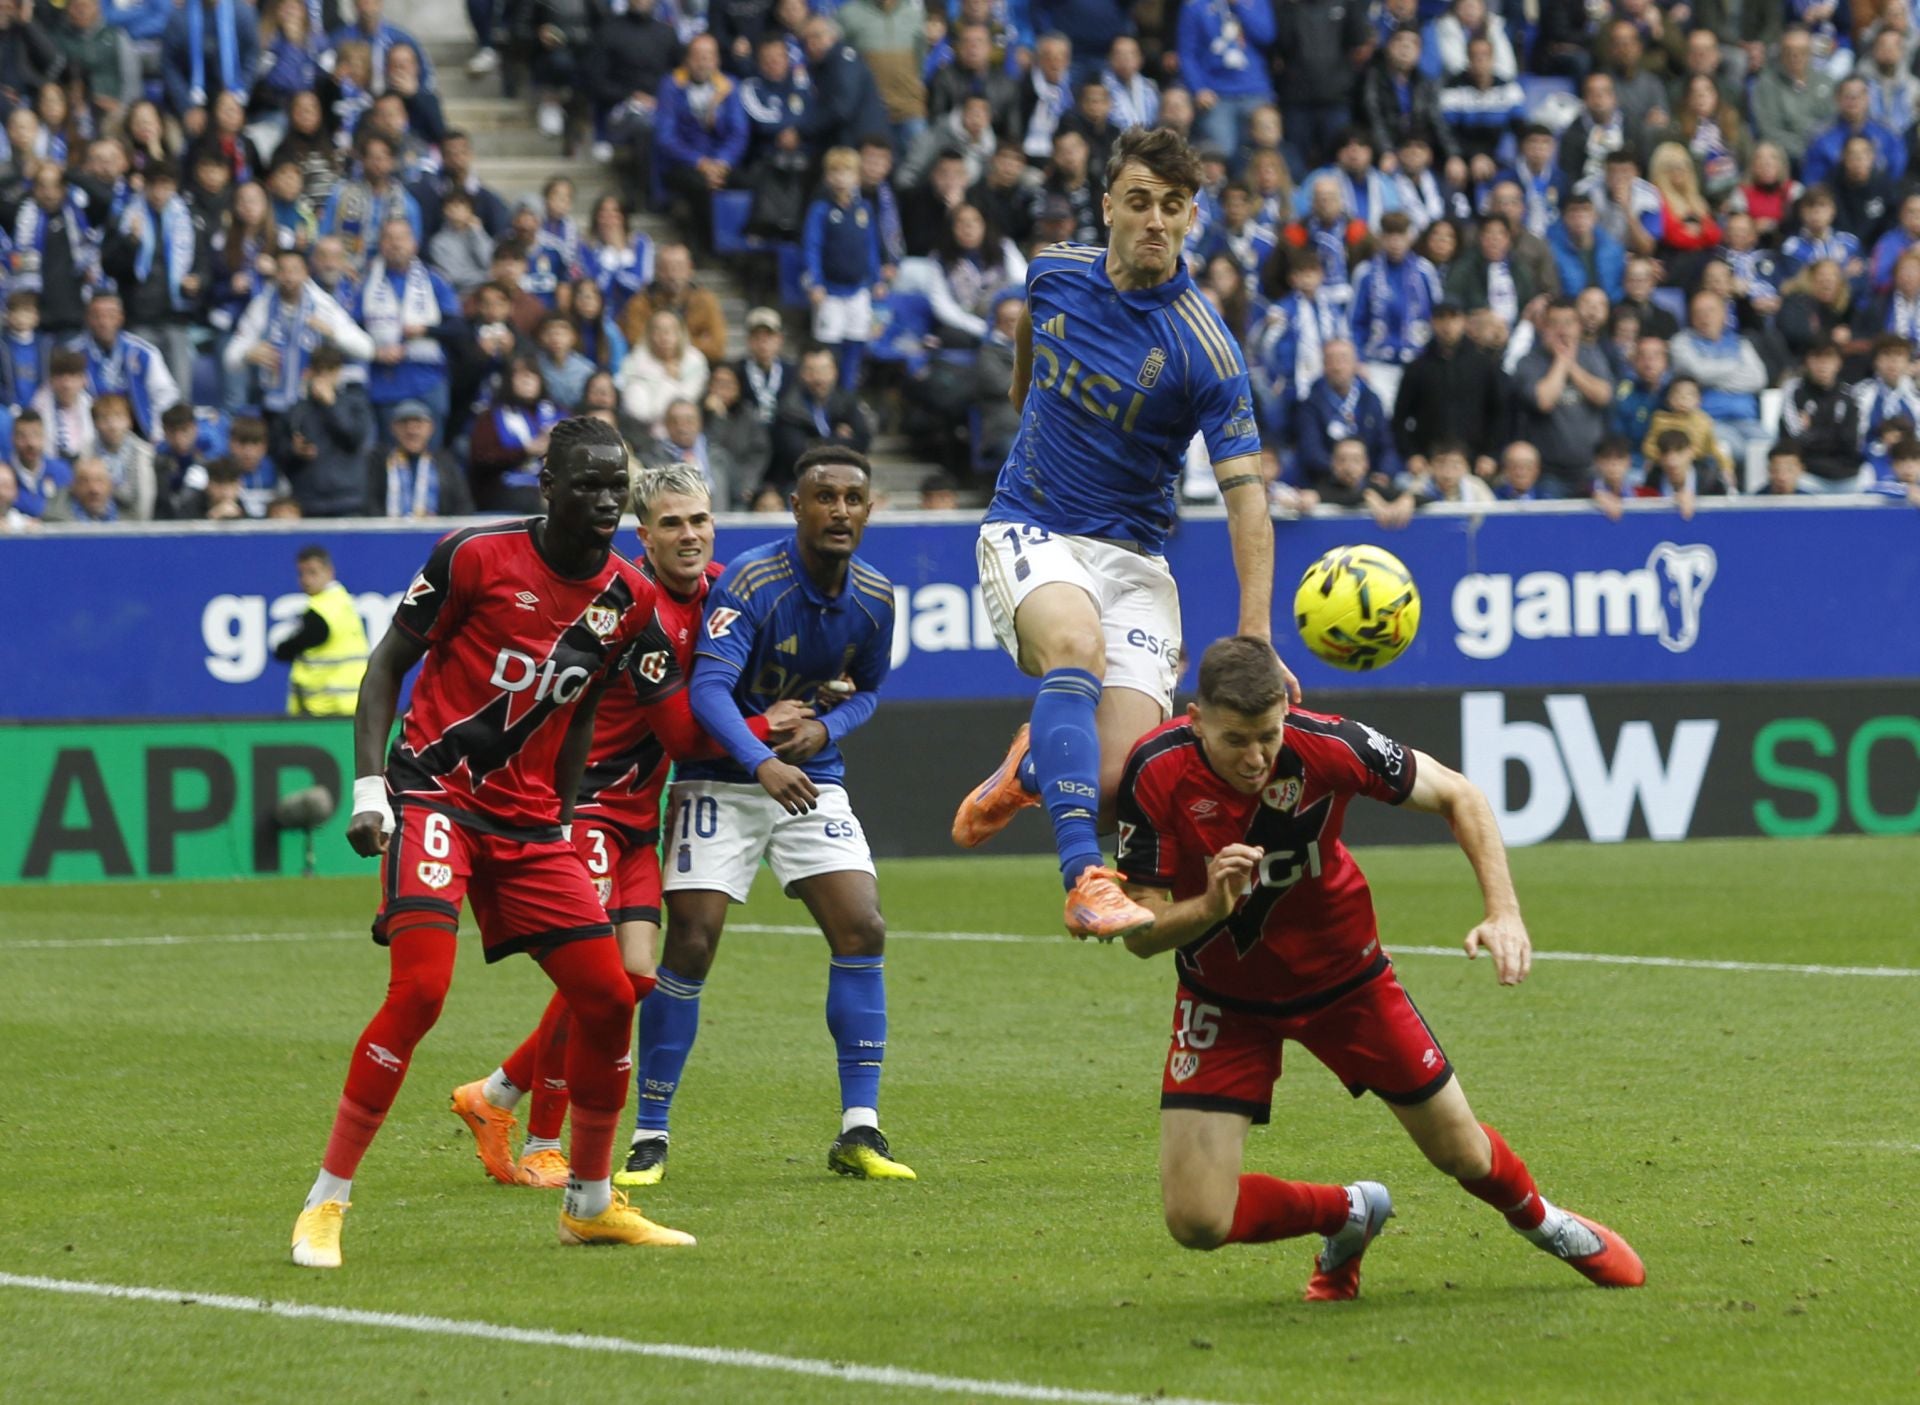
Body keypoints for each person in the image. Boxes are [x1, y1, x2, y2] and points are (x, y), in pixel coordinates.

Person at [1104, 635, 1646, 1299]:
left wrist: (1503, 911)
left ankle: (1546, 1222)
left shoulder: (1329, 744)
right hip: (1223, 998)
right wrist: (1212, 905)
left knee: (1461, 1152)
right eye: (1236, 739)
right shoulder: (1154, 770)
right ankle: (1348, 1212)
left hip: (1346, 981)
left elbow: (1460, 794)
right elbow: (1140, 934)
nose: (1256, 758)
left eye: (1267, 736)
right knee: (1195, 1220)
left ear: (1286, 711)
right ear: (1195, 719)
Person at [289, 418, 692, 1270]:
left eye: (614, 484)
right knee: (423, 990)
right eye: (585, 483)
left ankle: (587, 1204)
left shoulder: (630, 597)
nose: (605, 499)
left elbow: (579, 712)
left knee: (610, 995)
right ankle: (325, 1204)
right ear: (546, 486)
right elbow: (386, 666)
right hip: (435, 793)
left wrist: (561, 813)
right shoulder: (471, 556)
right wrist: (371, 791)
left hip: (529, 823)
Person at [952, 125, 1283, 942]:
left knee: (1110, 785)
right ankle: (1084, 881)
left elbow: (1247, 501)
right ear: (1109, 205)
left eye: (1172, 207)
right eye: (1139, 202)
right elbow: (1032, 320)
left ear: (1193, 215)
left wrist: (1256, 637)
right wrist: (1025, 394)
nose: (1155, 222)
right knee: (1077, 647)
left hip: (1134, 561)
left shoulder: (1207, 350)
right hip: (1031, 525)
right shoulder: (1054, 271)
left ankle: (1034, 761)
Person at [451, 464, 818, 1189]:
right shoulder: (633, 607)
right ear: (642, 536)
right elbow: (683, 733)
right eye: (672, 524)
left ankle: (492, 1095)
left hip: (637, 816)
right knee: (590, 979)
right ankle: (541, 1141)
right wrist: (762, 726)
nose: (689, 535)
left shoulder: (722, 589)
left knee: (637, 977)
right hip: (584, 801)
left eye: (700, 520)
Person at [628, 445, 910, 1182]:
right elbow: (708, 695)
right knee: (690, 940)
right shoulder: (752, 582)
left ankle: (861, 1129)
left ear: (870, 508)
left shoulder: (877, 596)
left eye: (853, 497)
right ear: (796, 507)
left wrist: (824, 732)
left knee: (864, 925)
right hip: (723, 775)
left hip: (810, 775)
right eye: (824, 497)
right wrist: (763, 760)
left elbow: (873, 691)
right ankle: (650, 1134)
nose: (839, 510)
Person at [1511, 298, 1614, 496]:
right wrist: (1561, 361)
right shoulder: (1529, 362)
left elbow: (1604, 395)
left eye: (1569, 322)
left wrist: (1571, 366)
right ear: (1544, 327)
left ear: (1578, 327)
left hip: (1592, 470)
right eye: (1555, 323)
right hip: (1550, 475)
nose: (1563, 330)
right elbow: (1544, 401)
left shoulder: (1591, 355)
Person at [802, 146, 885, 391]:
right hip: (829, 292)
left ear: (857, 177)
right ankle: (827, 396)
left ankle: (848, 396)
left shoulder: (864, 210)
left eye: (846, 173)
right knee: (828, 349)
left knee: (856, 344)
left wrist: (876, 278)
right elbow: (812, 247)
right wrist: (815, 282)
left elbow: (871, 246)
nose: (840, 179)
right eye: (835, 173)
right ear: (827, 177)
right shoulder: (820, 210)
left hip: (858, 290)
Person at [271, 545, 371, 717]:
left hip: (327, 708)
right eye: (301, 573)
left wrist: (282, 647)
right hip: (352, 703)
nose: (305, 579)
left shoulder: (321, 612)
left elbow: (285, 651)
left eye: (312, 572)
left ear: (329, 571)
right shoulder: (343, 601)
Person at [373, 400, 475, 517]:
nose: (411, 431)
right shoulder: (377, 463)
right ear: (393, 428)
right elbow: (370, 504)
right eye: (404, 424)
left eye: (418, 424)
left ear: (430, 428)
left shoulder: (446, 463)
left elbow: (463, 506)